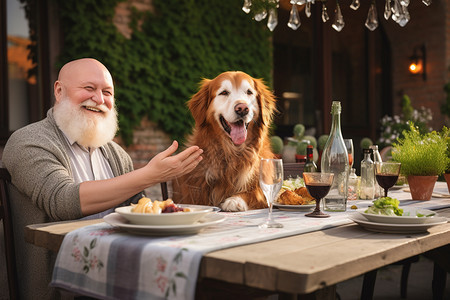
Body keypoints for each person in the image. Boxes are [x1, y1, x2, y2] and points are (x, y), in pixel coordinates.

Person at [1, 58, 203, 299]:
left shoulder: (117, 154)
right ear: (59, 90)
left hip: (116, 279)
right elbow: (62, 201)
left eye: (107, 92)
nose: (99, 99)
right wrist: (149, 175)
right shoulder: (28, 141)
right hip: (58, 289)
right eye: (88, 88)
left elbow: (140, 215)